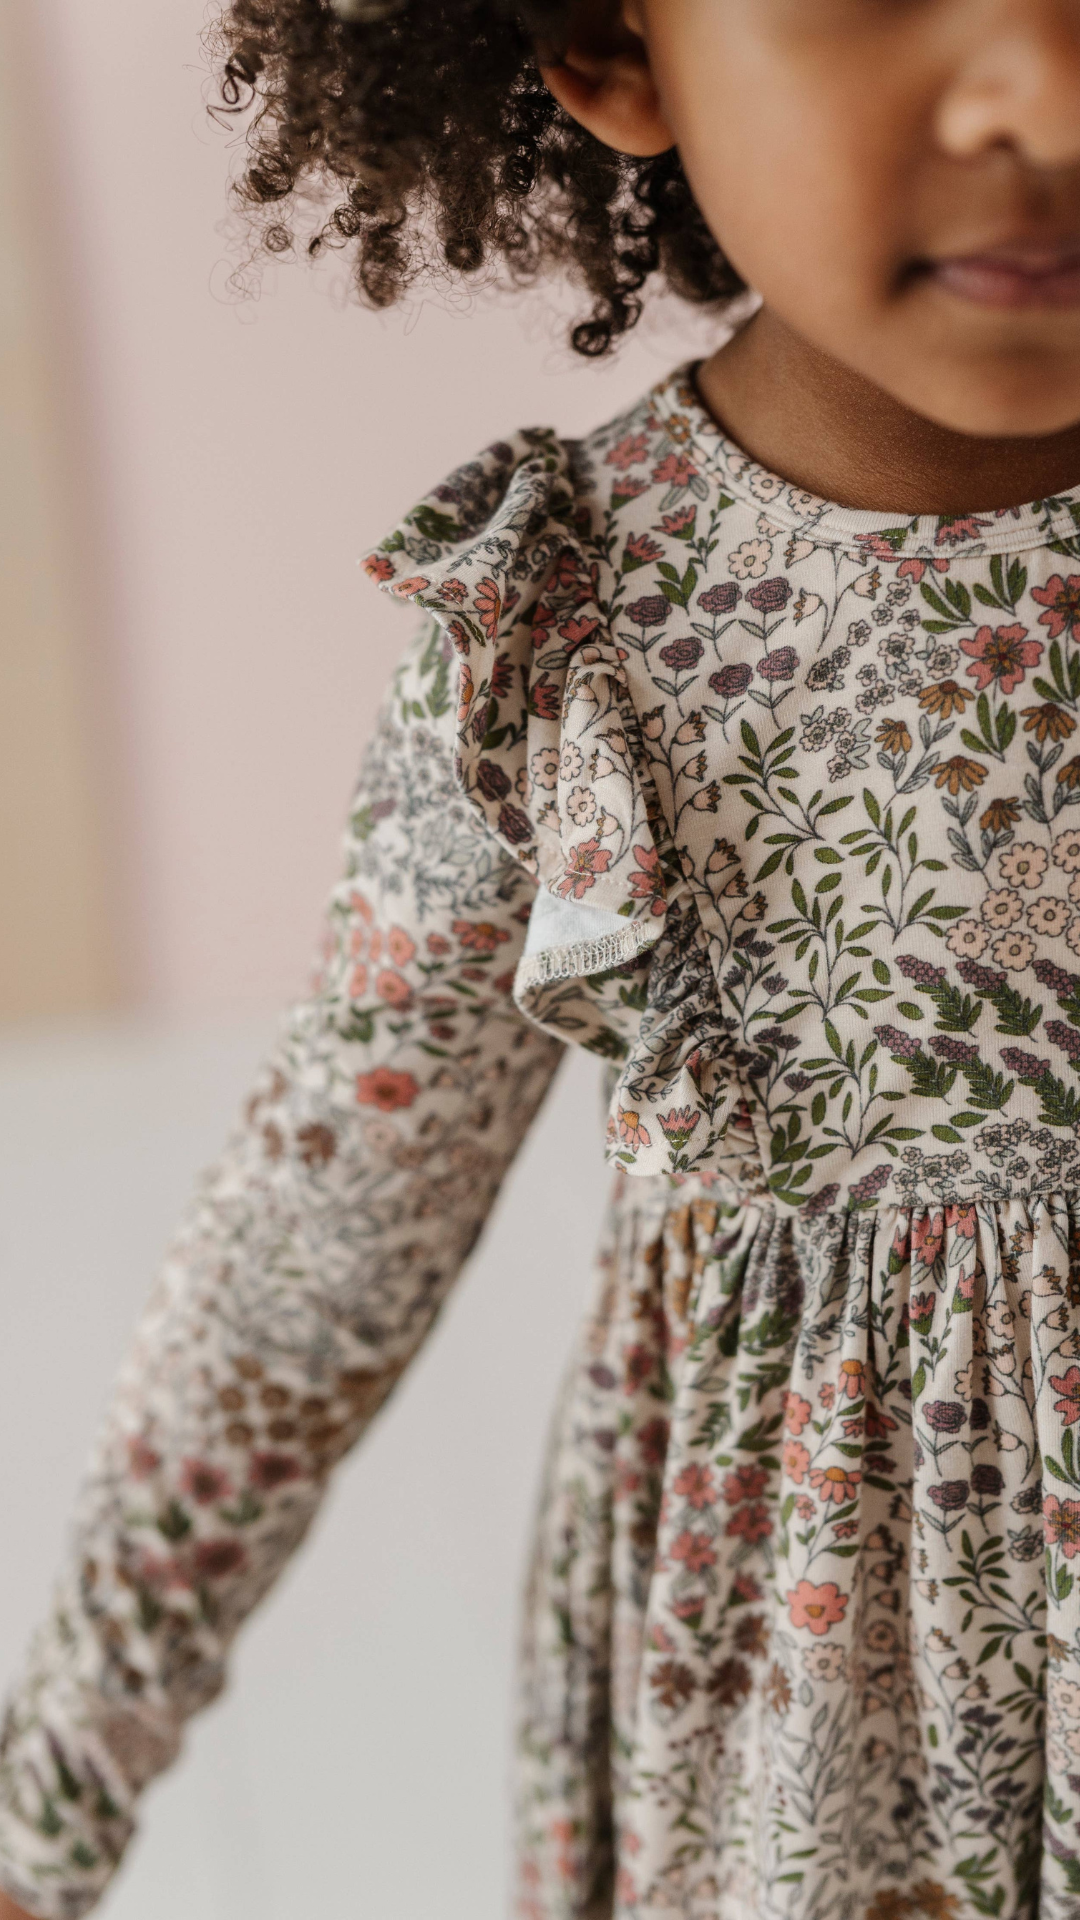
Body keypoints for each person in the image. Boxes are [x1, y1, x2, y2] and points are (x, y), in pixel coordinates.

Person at [6, 0, 1080, 1913]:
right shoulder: (567, 633)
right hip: (803, 1767)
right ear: (613, 47)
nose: (1046, 92)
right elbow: (330, 1223)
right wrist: (59, 1776)